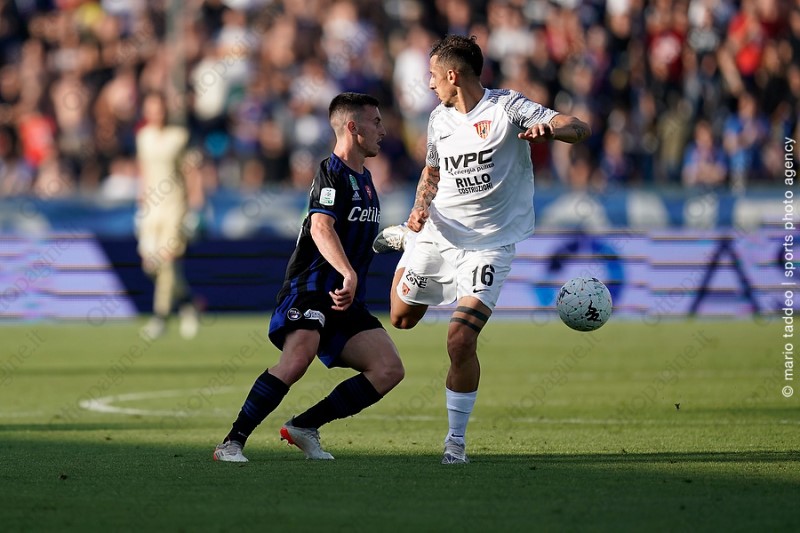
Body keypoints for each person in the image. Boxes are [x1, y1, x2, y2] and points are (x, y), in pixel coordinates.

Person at [372, 35, 591, 464]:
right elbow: (432, 172)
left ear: (453, 75)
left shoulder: (507, 107)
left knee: (460, 339)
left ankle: (455, 441)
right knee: (401, 318)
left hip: (489, 245)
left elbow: (578, 126)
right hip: (439, 233)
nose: (429, 83)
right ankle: (410, 240)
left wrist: (552, 131)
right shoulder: (438, 119)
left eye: (433, 75)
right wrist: (418, 210)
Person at [213, 92, 404, 463]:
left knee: (388, 369)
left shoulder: (366, 179)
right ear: (353, 127)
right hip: (312, 288)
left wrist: (391, 240)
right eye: (376, 122)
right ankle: (232, 442)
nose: (383, 130)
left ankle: (304, 425)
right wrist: (347, 271)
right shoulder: (331, 172)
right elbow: (320, 227)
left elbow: (352, 236)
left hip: (345, 297)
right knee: (298, 357)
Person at [135, 92, 203, 340]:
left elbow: (192, 170)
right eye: (151, 109)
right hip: (151, 209)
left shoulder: (179, 137)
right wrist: (141, 198)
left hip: (174, 206)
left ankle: (160, 317)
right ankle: (188, 302)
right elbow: (143, 170)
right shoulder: (143, 137)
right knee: (150, 265)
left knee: (167, 261)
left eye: (159, 108)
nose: (156, 113)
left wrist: (195, 202)